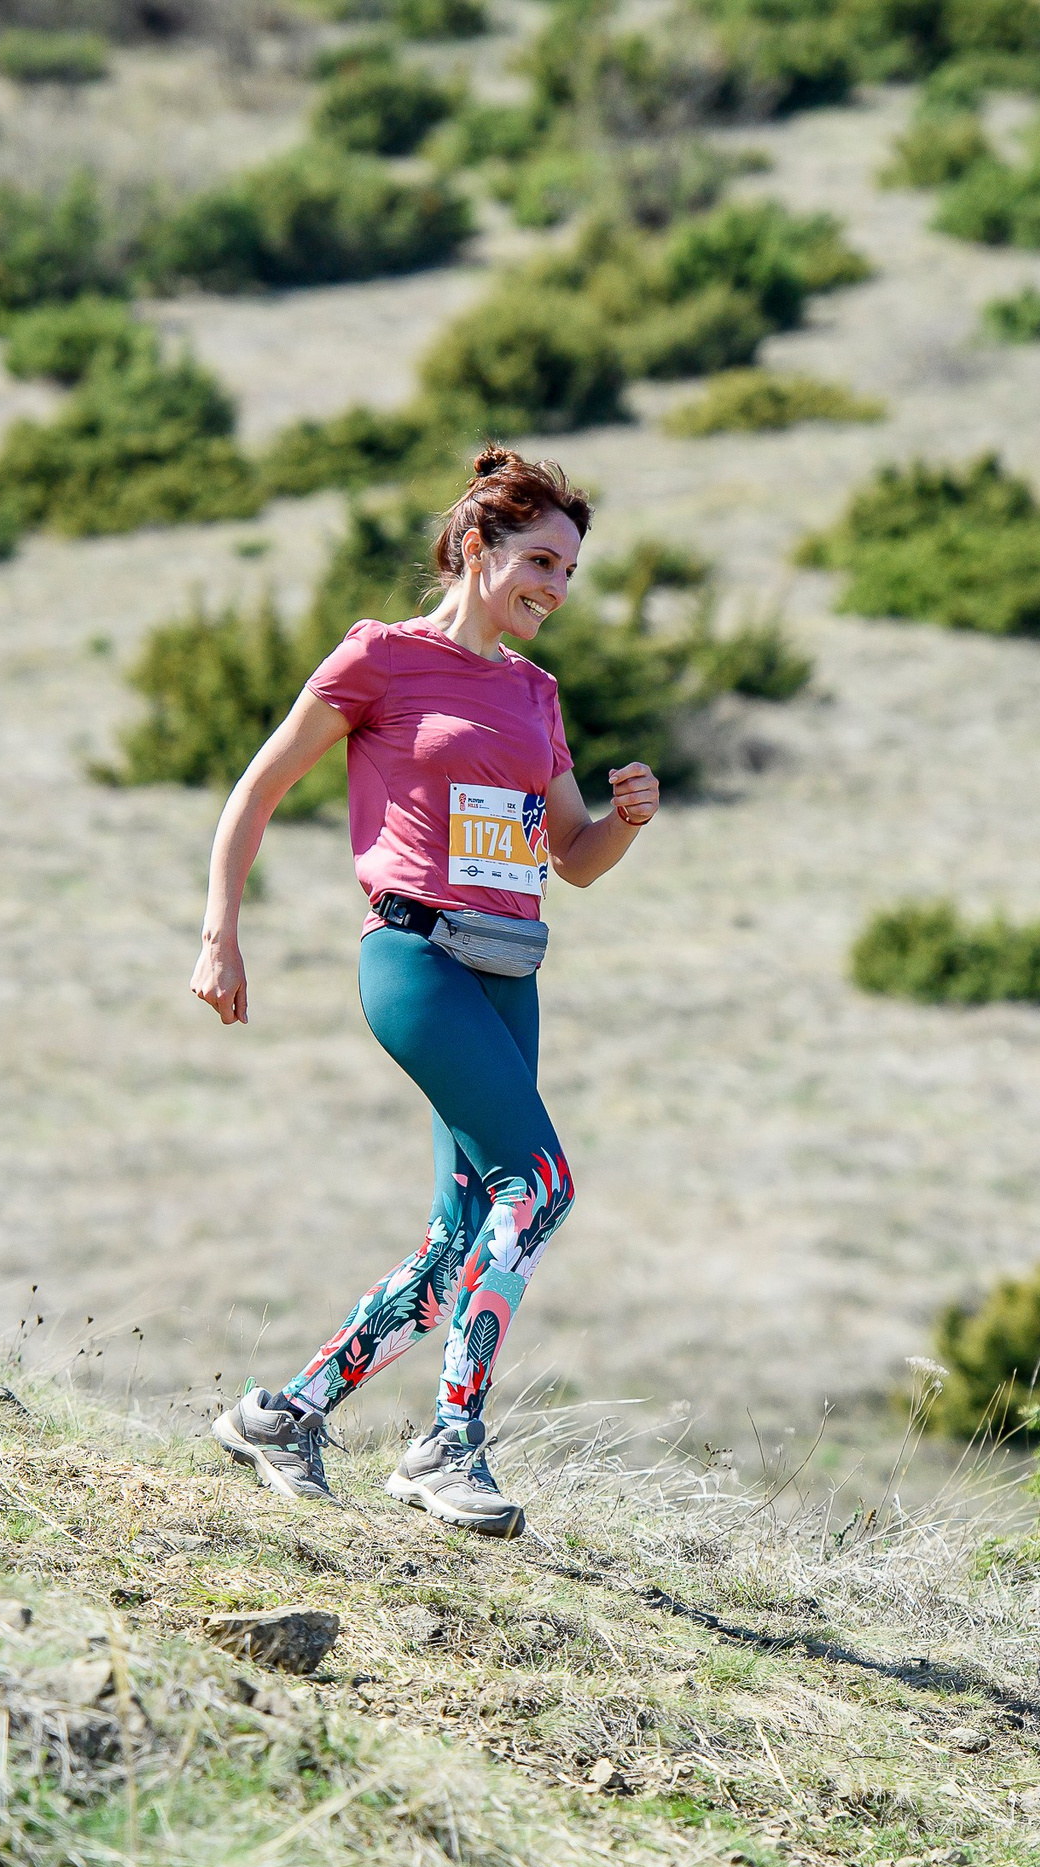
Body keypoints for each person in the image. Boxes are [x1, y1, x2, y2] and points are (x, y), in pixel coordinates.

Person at [191, 447, 660, 1539]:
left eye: (570, 570)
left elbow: (574, 860)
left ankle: (288, 1414)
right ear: (475, 547)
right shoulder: (380, 660)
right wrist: (221, 931)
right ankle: (449, 1444)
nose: (554, 584)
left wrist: (626, 818)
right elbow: (257, 790)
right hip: (415, 958)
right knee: (538, 1188)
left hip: (511, 972)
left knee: (463, 1233)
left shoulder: (536, 694)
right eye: (539, 558)